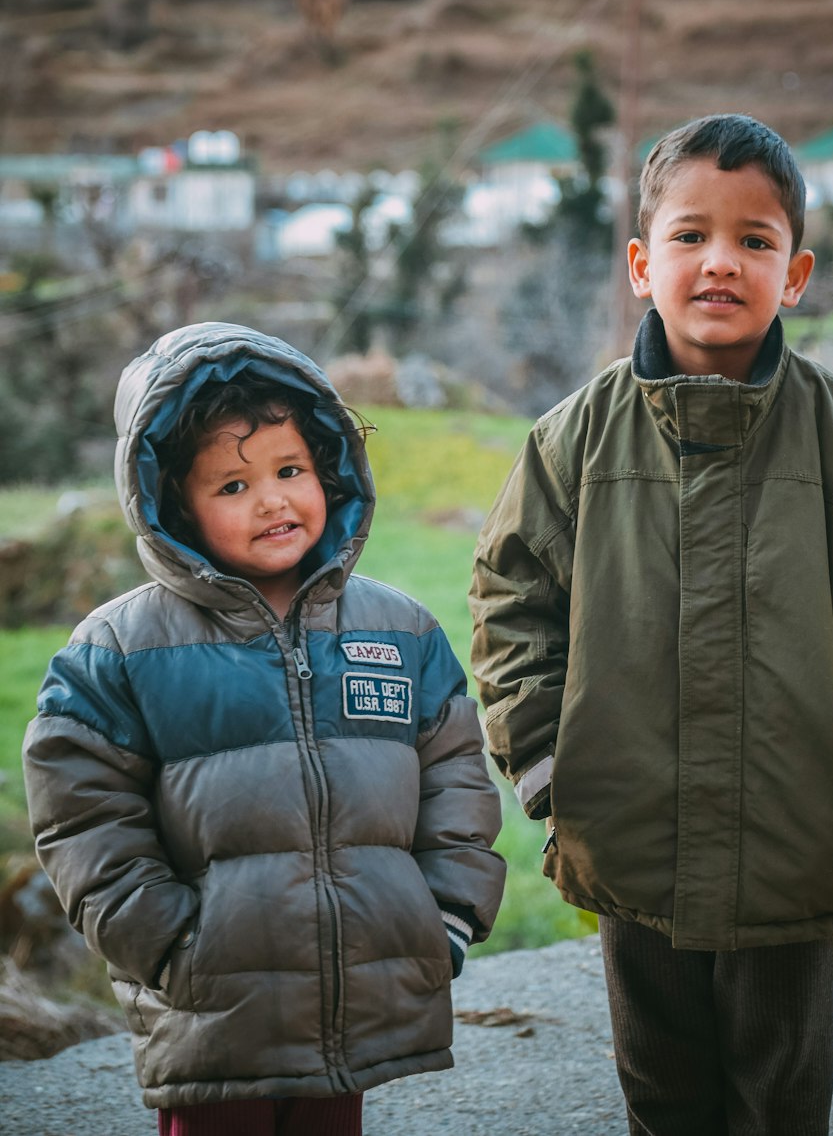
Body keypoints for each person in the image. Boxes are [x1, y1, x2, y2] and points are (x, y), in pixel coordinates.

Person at [469, 113, 833, 1136]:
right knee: (663, 1098)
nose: (720, 262)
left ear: (798, 271)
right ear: (643, 265)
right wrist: (549, 767)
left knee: (778, 1105)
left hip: (799, 840)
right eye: (690, 236)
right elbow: (513, 607)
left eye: (754, 240)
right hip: (631, 838)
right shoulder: (569, 445)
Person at [24, 321, 505, 1136]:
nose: (274, 499)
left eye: (290, 470)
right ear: (172, 503)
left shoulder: (400, 630)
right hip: (214, 1008)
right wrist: (170, 948)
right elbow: (83, 819)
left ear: (331, 469)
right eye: (233, 486)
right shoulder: (119, 650)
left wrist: (445, 917)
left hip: (360, 994)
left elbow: (455, 770)